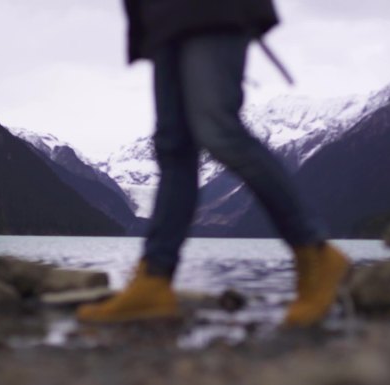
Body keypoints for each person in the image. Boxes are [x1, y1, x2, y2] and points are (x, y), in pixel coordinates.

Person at [76, 0, 349, 328]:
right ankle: (154, 279)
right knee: (173, 148)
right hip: (162, 18)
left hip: (212, 10)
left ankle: (315, 251)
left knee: (218, 130)